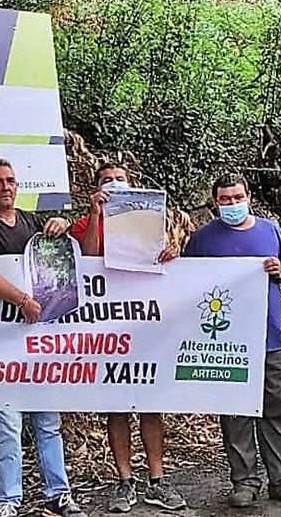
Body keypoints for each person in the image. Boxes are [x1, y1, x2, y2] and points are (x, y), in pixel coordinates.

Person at [0, 159, 84, 517]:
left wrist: (61, 227)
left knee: (48, 421)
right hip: (1, 339)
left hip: (37, 339)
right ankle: (8, 499)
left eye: (11, 181)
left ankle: (58, 492)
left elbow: (53, 258)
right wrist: (22, 300)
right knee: (8, 422)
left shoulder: (29, 221)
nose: (6, 187)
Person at [181, 172, 281, 509]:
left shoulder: (269, 231)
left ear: (249, 196)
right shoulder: (203, 239)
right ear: (215, 202)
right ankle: (244, 482)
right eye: (225, 199)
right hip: (225, 340)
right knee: (235, 411)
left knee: (276, 408)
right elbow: (183, 279)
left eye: (237, 197)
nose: (231, 204)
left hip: (269, 336)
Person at [70, 163, 185, 512]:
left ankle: (157, 480)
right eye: (107, 180)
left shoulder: (150, 219)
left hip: (147, 327)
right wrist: (94, 215)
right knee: (116, 407)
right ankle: (124, 482)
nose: (114, 184)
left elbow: (168, 261)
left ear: (131, 184)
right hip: (107, 330)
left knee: (150, 406)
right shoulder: (84, 223)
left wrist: (172, 253)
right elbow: (87, 259)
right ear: (97, 188)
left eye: (120, 179)